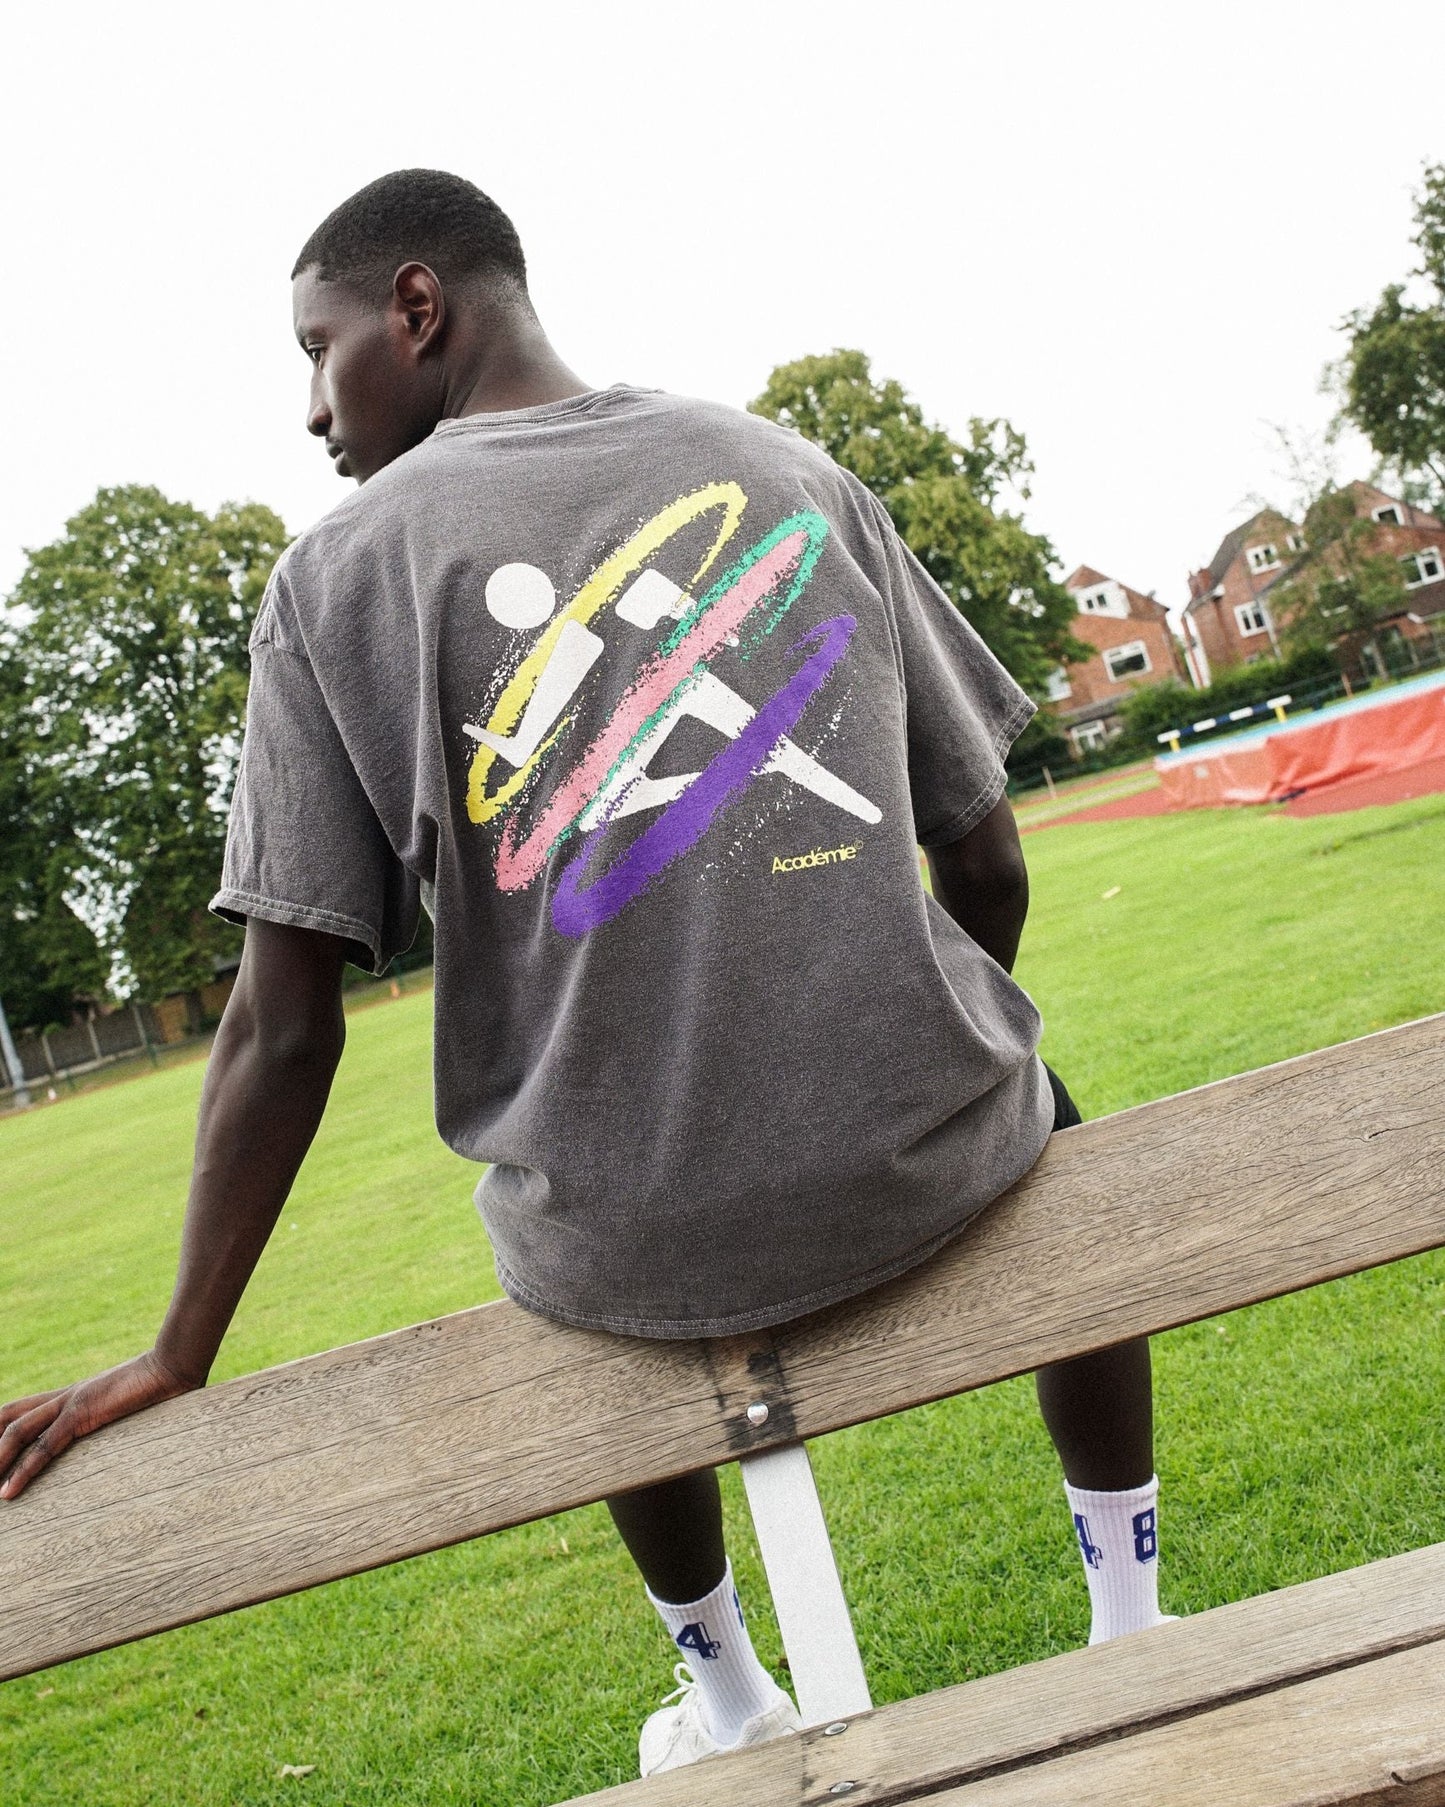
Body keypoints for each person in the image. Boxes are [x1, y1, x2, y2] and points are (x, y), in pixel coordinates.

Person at [0, 170, 1170, 1777]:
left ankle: (729, 1696)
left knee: (552, 1219)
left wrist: (180, 1346)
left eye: (318, 350)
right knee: (1049, 1115)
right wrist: (907, 1052)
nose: (311, 408)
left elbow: (281, 1028)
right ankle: (1129, 1616)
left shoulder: (331, 581)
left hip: (625, 1243)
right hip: (930, 1153)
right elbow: (986, 863)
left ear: (417, 310)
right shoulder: (790, 469)